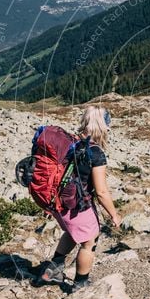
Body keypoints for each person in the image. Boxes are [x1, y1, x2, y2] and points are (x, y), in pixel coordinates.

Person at [39, 105, 121, 289]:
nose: (108, 129)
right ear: (101, 126)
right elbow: (101, 192)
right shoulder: (95, 153)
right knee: (89, 242)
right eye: (107, 125)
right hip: (76, 204)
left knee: (72, 232)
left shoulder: (69, 142)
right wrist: (114, 215)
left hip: (58, 203)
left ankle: (53, 269)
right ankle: (80, 283)